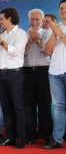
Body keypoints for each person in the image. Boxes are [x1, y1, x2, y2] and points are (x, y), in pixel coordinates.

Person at [0, 7, 28, 148]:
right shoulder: (3, 35)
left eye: (2, 19)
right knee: (5, 107)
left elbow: (16, 52)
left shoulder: (21, 34)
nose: (0, 22)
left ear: (9, 19)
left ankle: (21, 138)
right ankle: (9, 137)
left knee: (18, 107)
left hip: (15, 74)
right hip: (2, 74)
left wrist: (0, 42)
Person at [23, 9, 53, 145]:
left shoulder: (47, 33)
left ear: (42, 21)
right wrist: (29, 41)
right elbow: (19, 53)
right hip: (27, 72)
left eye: (37, 19)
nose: (34, 22)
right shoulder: (23, 35)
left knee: (44, 105)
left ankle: (46, 134)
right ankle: (30, 135)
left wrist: (38, 40)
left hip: (44, 72)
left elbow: (49, 52)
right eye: (32, 19)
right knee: (28, 106)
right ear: (28, 20)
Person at [43, 0, 66, 149]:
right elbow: (48, 50)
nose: (63, 10)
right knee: (58, 106)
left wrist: (62, 36)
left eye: (65, 8)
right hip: (55, 71)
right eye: (61, 8)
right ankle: (57, 139)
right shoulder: (56, 27)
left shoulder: (59, 30)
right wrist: (55, 34)